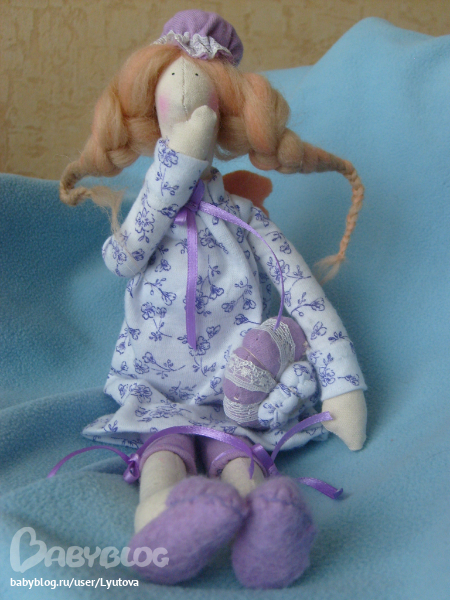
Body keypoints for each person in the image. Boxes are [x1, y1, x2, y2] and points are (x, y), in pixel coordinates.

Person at [59, 10, 367, 589]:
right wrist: (175, 168)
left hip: (238, 391)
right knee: (164, 457)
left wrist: (341, 384)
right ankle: (164, 525)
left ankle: (266, 530)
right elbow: (122, 257)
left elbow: (304, 295)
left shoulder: (244, 218)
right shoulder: (148, 212)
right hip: (157, 388)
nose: (184, 101)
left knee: (241, 459)